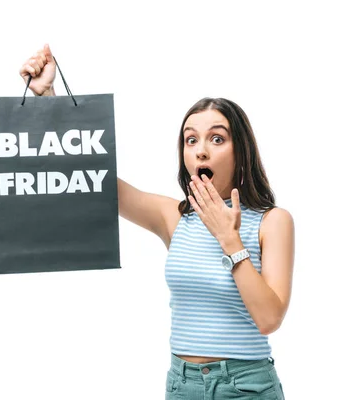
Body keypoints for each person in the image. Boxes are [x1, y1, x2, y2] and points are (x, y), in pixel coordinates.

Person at [20, 44, 295, 400]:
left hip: (245, 386)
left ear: (240, 151)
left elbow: (269, 319)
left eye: (217, 138)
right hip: (182, 385)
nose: (201, 150)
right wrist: (48, 100)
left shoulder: (272, 222)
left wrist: (230, 241)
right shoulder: (174, 216)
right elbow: (96, 180)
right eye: (191, 139)